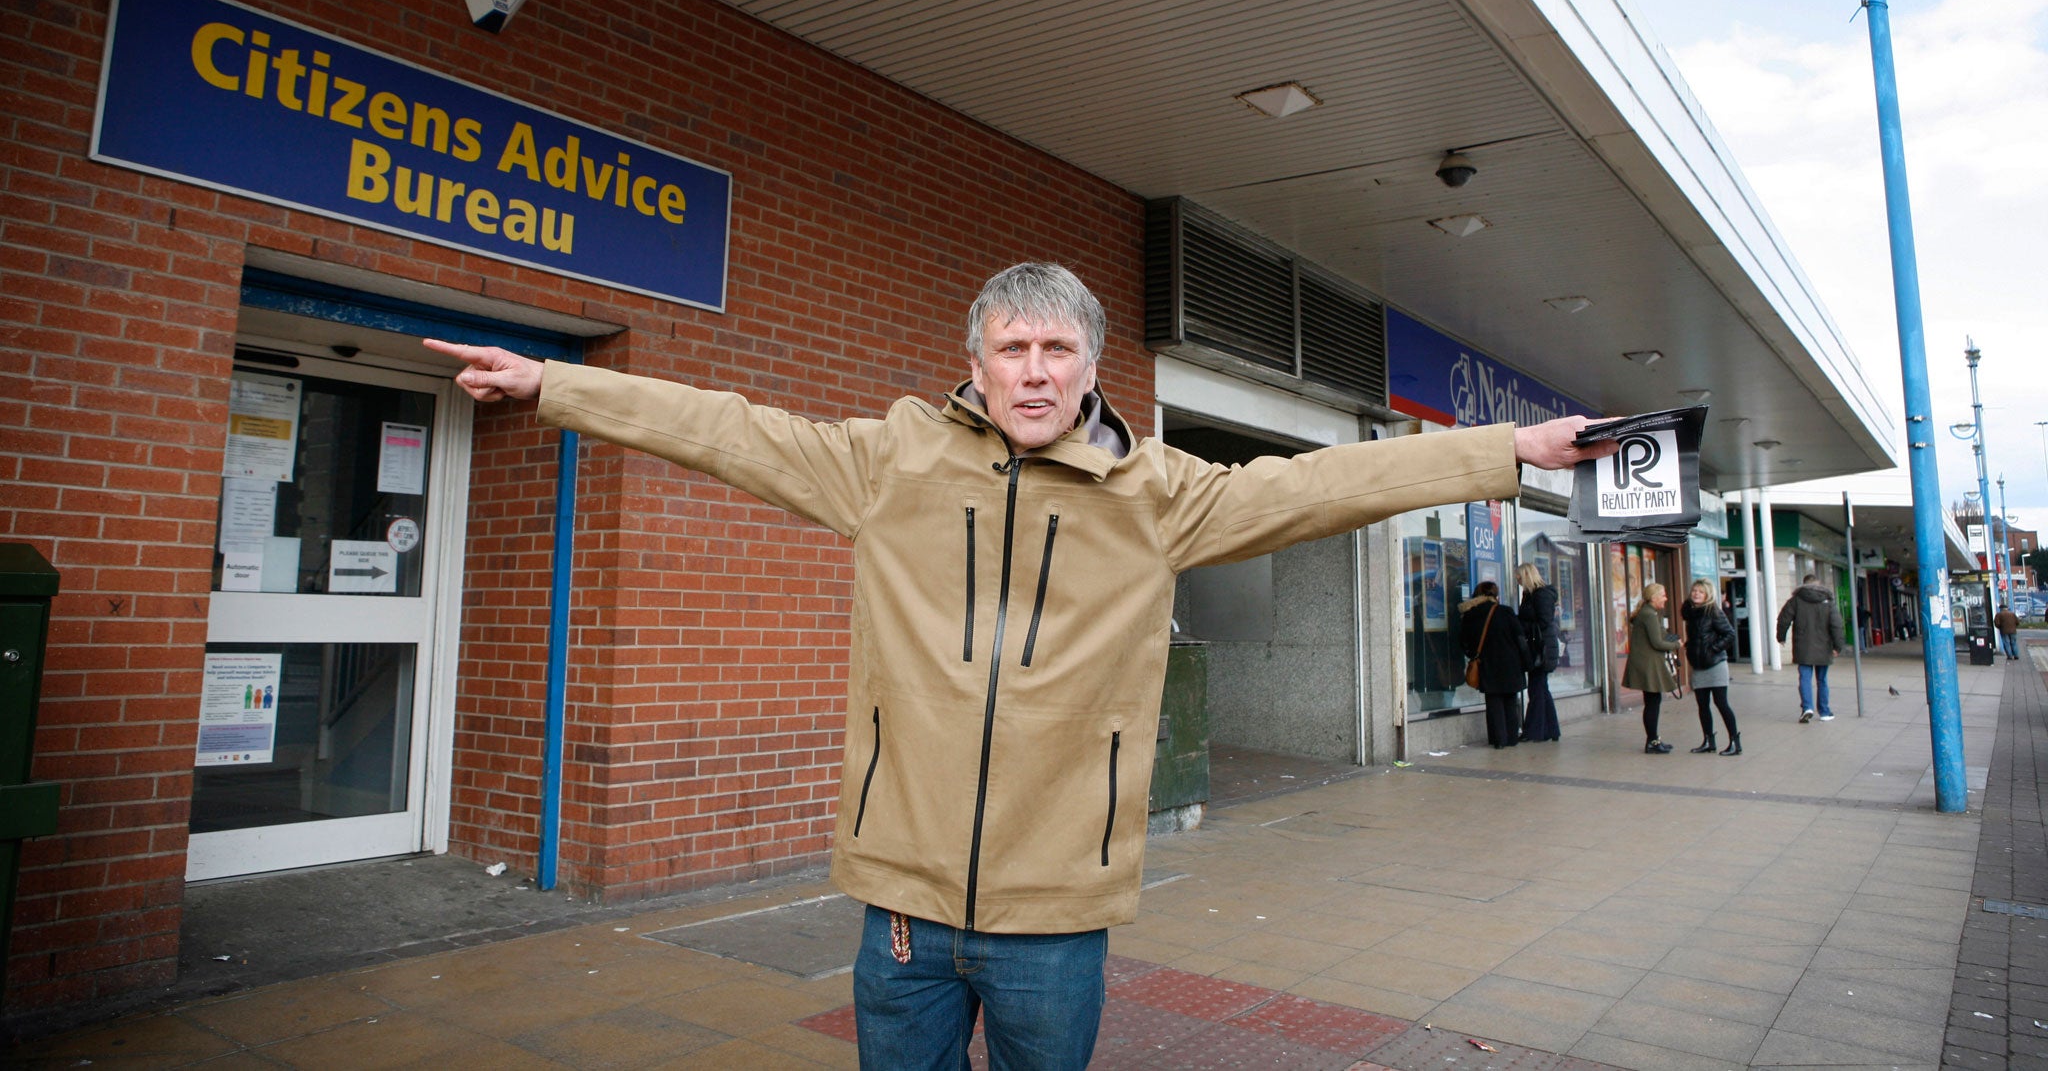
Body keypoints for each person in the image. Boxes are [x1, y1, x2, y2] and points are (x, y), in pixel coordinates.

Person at [426, 262, 1616, 1070]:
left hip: (1055, 909)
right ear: (976, 364)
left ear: (1091, 365)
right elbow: (731, 427)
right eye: (1013, 348)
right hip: (902, 902)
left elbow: (1318, 484)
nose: (1035, 370)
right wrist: (556, 384)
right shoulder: (892, 461)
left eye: (1057, 348)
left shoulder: (1159, 496)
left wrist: (1505, 449)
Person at [1459, 580, 1529, 749]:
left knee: (1493, 701)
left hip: (1487, 663)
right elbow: (1520, 638)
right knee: (1510, 700)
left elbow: (1463, 641)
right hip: (1510, 663)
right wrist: (1526, 662)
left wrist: (1473, 655)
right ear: (1495, 595)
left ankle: (1498, 740)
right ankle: (1512, 737)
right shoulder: (1505, 612)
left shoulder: (1470, 614)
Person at [1681, 579, 1741, 755]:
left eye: (1700, 591)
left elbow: (1729, 634)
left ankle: (1735, 742)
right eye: (1694, 591)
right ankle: (1708, 741)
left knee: (1721, 703)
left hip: (1715, 664)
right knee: (1702, 705)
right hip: (1699, 664)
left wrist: (1713, 649)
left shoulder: (1713, 611)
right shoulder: (1691, 614)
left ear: (1707, 595)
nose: (1696, 594)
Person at [1776, 572, 1843, 722]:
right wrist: (1838, 646)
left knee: (1805, 678)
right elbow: (1837, 625)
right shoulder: (1828, 601)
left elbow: (1783, 618)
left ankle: (1807, 707)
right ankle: (1825, 712)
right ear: (1818, 585)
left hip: (1803, 646)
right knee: (1822, 680)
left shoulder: (1796, 600)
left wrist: (1781, 636)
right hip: (1824, 647)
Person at [1622, 582, 1680, 753]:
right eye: (1663, 595)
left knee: (1653, 701)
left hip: (1646, 663)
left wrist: (1671, 640)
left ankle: (1654, 739)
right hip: (1648, 665)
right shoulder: (1649, 615)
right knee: (1653, 702)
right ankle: (1652, 742)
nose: (1666, 598)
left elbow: (1658, 637)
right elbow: (1657, 642)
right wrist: (1676, 644)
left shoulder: (1648, 612)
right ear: (1654, 598)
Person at [1515, 562, 1561, 743]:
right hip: (1540, 647)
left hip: (1541, 649)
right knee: (1541, 689)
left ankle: (1534, 731)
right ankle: (1551, 729)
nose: (1517, 580)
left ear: (1526, 576)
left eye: (1519, 577)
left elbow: (1544, 622)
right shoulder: (1530, 595)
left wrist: (1520, 625)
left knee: (1537, 690)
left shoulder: (1540, 595)